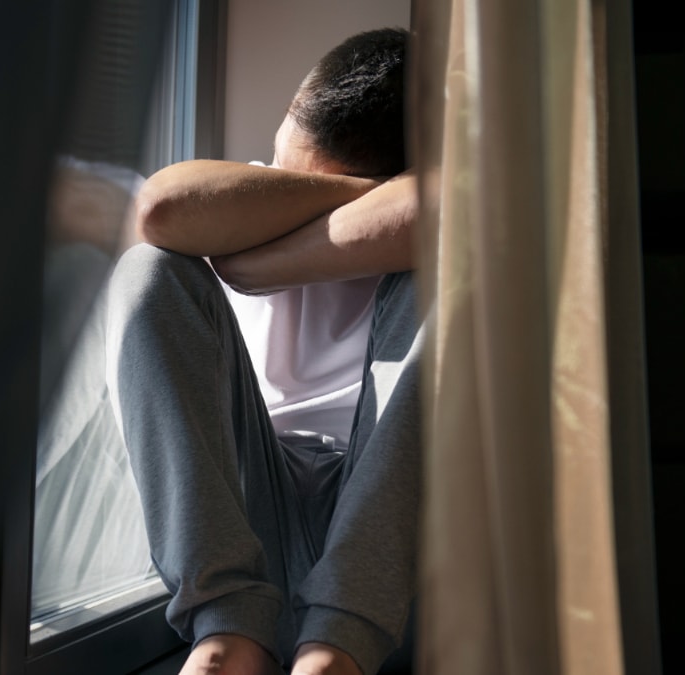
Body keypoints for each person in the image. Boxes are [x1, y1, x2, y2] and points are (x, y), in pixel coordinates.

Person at [105, 28, 421, 675]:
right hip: (252, 530)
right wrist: (345, 201)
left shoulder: (446, 209)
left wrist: (271, 254)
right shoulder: (257, 192)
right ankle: (230, 634)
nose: (276, 185)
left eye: (304, 184)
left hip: (381, 540)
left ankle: (336, 650)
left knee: (449, 283)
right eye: (281, 168)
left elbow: (453, 208)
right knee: (147, 271)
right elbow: (159, 209)